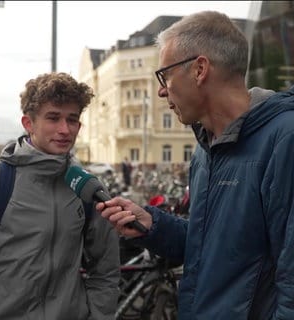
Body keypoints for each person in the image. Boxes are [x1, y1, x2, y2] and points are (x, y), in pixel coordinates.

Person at [96, 11, 294, 320]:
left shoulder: (285, 139)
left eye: (165, 76)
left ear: (200, 69)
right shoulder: (206, 149)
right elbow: (210, 245)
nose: (162, 91)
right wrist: (152, 224)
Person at [0, 72, 120, 319]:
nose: (64, 129)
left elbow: (105, 270)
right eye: (53, 118)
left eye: (72, 119)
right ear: (28, 123)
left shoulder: (89, 189)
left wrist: (97, 315)